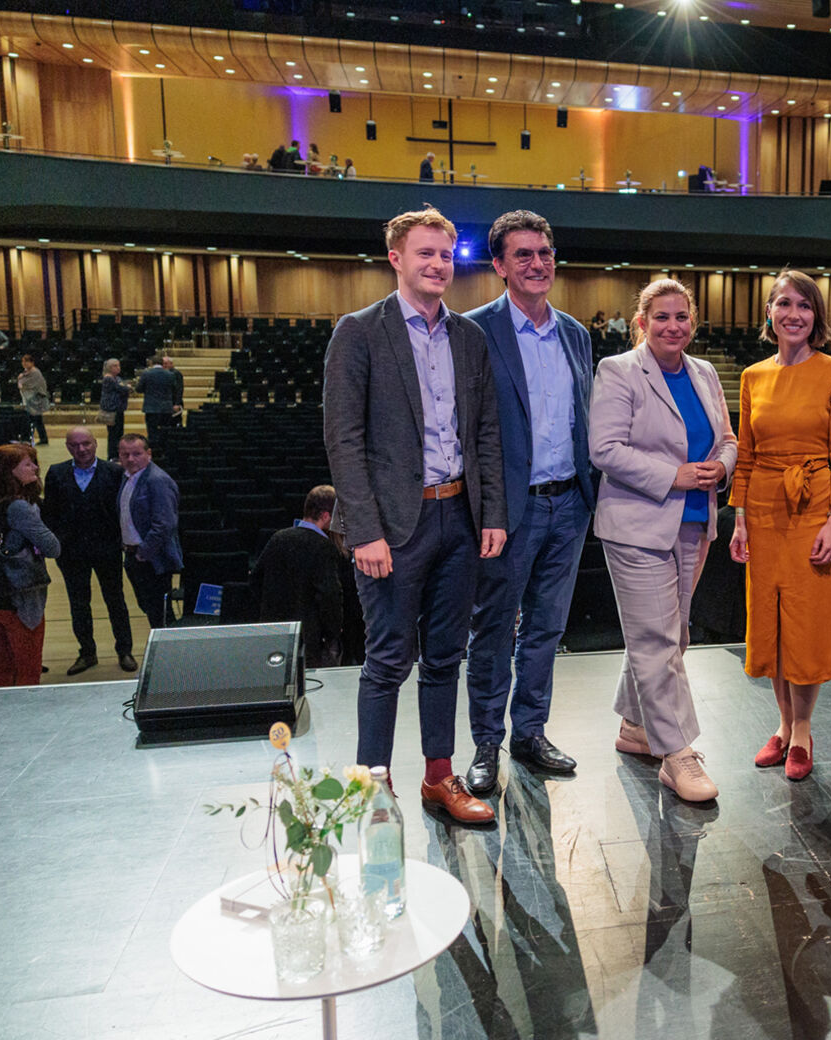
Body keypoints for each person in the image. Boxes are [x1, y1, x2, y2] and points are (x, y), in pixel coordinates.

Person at [323, 205, 506, 825]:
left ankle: (437, 778)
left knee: (445, 656)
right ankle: (372, 790)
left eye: (445, 254)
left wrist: (492, 513)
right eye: (424, 253)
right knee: (387, 661)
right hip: (393, 527)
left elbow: (485, 433)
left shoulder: (469, 338)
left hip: (459, 517)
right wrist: (364, 531)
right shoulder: (359, 331)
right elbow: (343, 439)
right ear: (395, 258)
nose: (437, 264)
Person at [462, 209, 596, 793]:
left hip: (568, 505)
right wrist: (486, 509)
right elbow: (468, 430)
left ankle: (531, 733)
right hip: (508, 511)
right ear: (499, 265)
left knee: (546, 629)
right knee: (493, 631)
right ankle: (485, 743)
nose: (537, 263)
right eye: (523, 255)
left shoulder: (575, 334)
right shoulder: (474, 331)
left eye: (544, 253)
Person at [590, 278, 737, 802]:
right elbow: (604, 448)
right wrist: (672, 475)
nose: (673, 326)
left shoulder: (703, 372)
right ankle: (678, 754)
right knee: (658, 640)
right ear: (641, 323)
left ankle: (636, 727)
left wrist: (722, 466)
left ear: (692, 322)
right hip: (636, 525)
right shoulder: (618, 371)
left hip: (694, 523)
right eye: (661, 317)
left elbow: (727, 438)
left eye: (681, 317)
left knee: (669, 635)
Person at [728, 270, 831, 782]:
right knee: (772, 623)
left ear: (815, 316)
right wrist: (739, 519)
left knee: (806, 624)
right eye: (784, 303)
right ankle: (781, 726)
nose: (793, 314)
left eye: (804, 305)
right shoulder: (752, 376)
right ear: (769, 313)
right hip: (762, 510)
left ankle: (802, 730)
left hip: (815, 508)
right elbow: (745, 454)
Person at [0, 444, 60, 687]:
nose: (35, 468)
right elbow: (53, 547)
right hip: (15, 598)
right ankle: (25, 711)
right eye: (28, 464)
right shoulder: (19, 507)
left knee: (3, 663)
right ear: (9, 471)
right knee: (28, 669)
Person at [44, 427, 136, 675]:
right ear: (67, 447)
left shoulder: (115, 472)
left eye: (86, 443)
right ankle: (87, 653)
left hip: (107, 550)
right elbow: (50, 513)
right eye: (75, 445)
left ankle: (125, 650)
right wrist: (58, 543)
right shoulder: (56, 473)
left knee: (115, 600)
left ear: (95, 443)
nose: (81, 449)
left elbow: (122, 511)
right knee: (78, 603)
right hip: (71, 553)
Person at [251, 485, 344, 669]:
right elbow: (329, 596)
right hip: (308, 640)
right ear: (326, 516)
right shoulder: (324, 548)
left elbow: (255, 581)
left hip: (274, 633)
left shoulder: (278, 538)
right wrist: (333, 631)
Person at [116, 433, 182, 629]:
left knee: (159, 613)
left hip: (152, 559)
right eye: (125, 454)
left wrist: (143, 553)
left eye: (136, 454)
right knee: (149, 607)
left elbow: (165, 524)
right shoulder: (128, 477)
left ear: (149, 453)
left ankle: (168, 647)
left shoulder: (157, 480)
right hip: (133, 555)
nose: (130, 459)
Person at [135, 356, 182, 451]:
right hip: (166, 407)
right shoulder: (170, 375)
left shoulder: (146, 374)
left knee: (152, 432)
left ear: (151, 363)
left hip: (151, 407)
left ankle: (154, 451)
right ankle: (164, 451)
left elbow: (139, 389)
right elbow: (175, 390)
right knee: (165, 431)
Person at [100, 358, 131, 457]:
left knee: (119, 434)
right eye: (115, 366)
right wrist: (127, 387)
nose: (118, 368)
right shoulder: (108, 379)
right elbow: (123, 389)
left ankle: (118, 454)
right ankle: (112, 455)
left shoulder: (117, 378)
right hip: (112, 410)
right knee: (113, 435)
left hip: (119, 409)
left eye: (119, 365)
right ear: (109, 368)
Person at [17, 354, 50, 445]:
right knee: (35, 420)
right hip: (31, 400)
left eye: (26, 361)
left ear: (32, 362)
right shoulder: (26, 372)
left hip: (37, 400)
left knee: (35, 420)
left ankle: (33, 439)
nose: (24, 363)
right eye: (23, 361)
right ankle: (39, 438)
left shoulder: (35, 372)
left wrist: (21, 379)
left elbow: (27, 384)